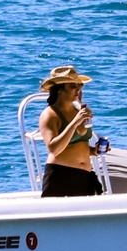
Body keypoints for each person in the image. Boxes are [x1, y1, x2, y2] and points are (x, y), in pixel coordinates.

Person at [36, 65, 102, 196]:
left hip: (85, 176)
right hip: (61, 176)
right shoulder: (49, 115)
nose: (77, 89)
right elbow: (54, 148)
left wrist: (93, 151)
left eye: (79, 85)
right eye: (72, 86)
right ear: (59, 89)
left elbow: (77, 145)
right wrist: (75, 122)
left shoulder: (78, 111)